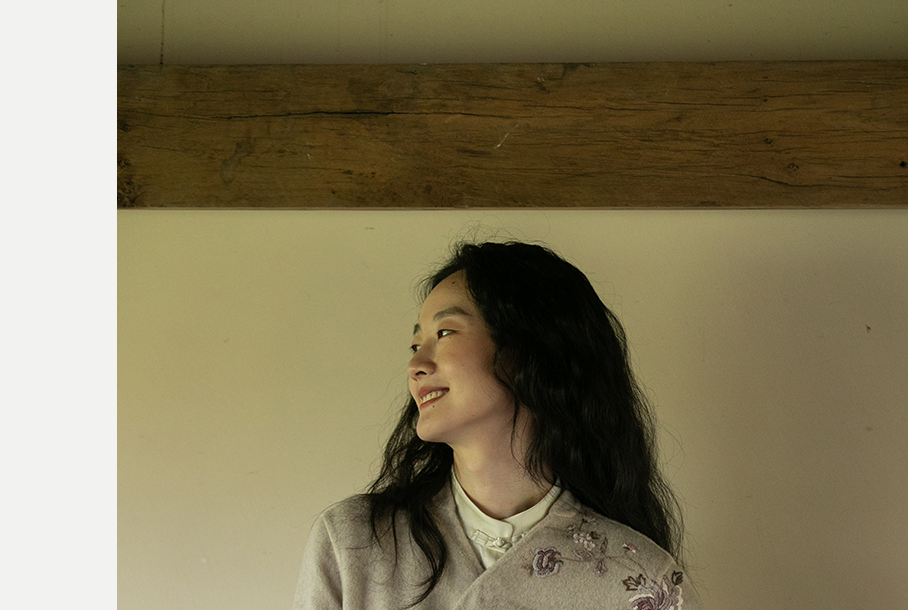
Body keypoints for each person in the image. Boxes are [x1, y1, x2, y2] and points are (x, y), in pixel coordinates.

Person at [292, 241, 699, 610]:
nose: (416, 364)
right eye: (416, 344)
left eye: (444, 332)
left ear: (530, 351)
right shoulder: (353, 543)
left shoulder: (641, 580)